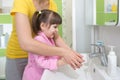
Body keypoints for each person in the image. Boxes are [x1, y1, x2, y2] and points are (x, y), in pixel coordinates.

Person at [6, 0, 84, 80]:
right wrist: (64, 52)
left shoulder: (52, 4)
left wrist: (71, 54)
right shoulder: (22, 2)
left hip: (42, 53)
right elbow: (25, 44)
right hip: (19, 56)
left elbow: (55, 37)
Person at [22, 9, 67, 80]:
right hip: (35, 76)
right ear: (42, 26)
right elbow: (41, 62)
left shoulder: (49, 38)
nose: (57, 30)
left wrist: (62, 56)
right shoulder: (39, 40)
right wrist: (59, 63)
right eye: (55, 27)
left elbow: (52, 54)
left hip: (43, 74)